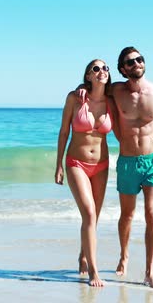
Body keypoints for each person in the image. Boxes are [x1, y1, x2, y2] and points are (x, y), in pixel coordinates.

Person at [111, 46, 153, 289]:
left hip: (152, 161)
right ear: (122, 69)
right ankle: (124, 256)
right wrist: (80, 92)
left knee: (152, 213)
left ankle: (149, 271)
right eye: (131, 61)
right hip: (127, 162)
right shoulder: (115, 91)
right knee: (127, 215)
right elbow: (94, 86)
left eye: (140, 59)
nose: (137, 63)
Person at [55, 59, 115, 287]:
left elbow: (133, 122)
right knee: (89, 214)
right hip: (76, 162)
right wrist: (59, 164)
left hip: (102, 164)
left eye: (105, 68)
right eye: (96, 69)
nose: (102, 71)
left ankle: (83, 255)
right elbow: (63, 132)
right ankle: (93, 271)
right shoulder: (74, 97)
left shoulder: (112, 101)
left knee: (94, 217)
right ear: (88, 76)